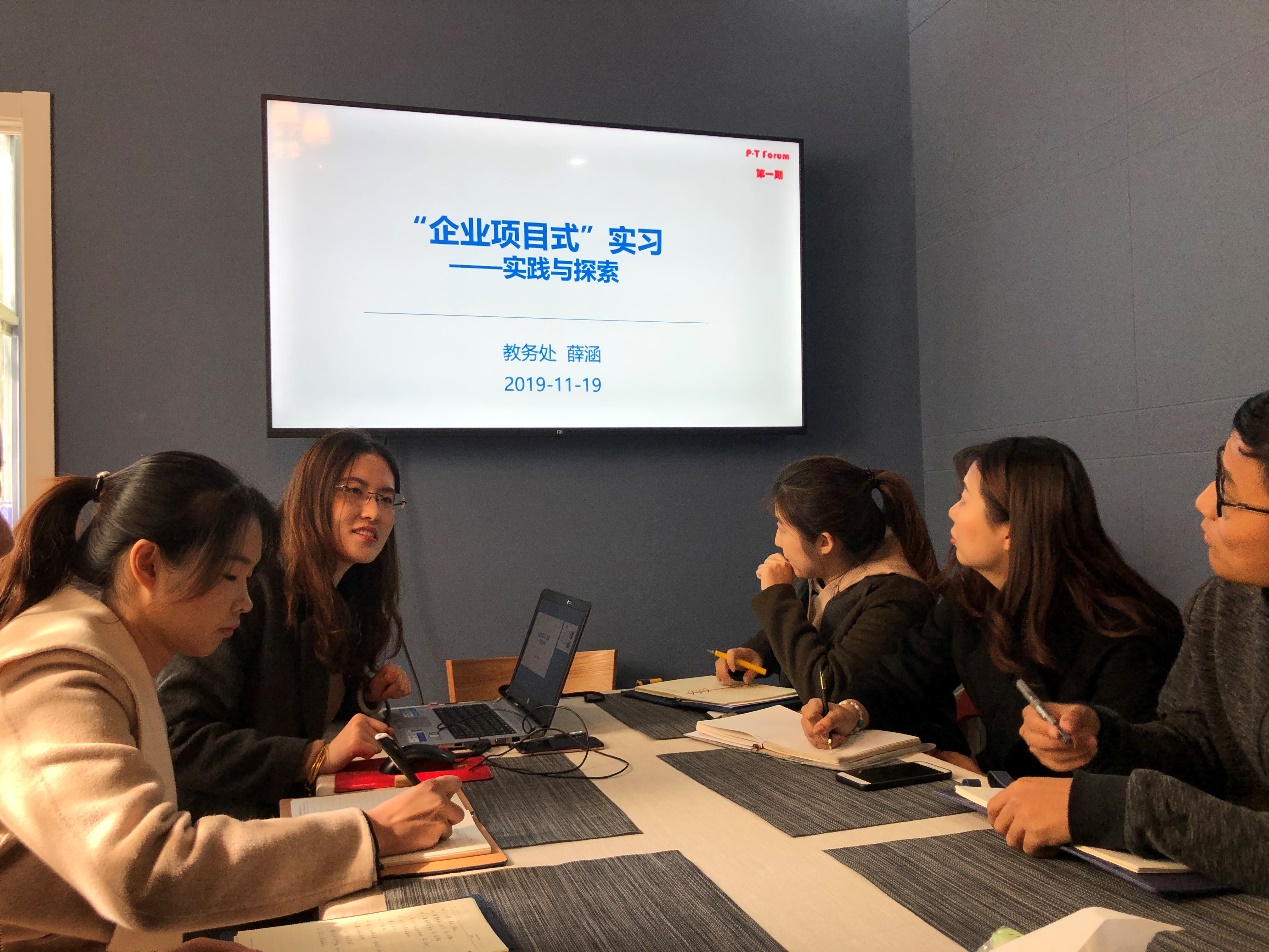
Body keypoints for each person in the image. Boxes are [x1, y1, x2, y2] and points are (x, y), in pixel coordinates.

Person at [0, 452, 463, 949]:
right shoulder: (55, 670)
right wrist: (371, 834)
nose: (245, 600)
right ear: (148, 565)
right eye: (230, 576)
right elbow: (145, 875)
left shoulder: (101, 647)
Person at [990, 392, 1269, 895]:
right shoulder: (1222, 604)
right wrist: (1105, 739)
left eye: (1228, 493)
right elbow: (1201, 747)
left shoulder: (1129, 623)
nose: (1203, 501)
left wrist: (1106, 808)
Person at [802, 436, 1184, 778]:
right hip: (999, 802)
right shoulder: (972, 597)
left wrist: (991, 781)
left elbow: (1132, 775)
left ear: (1011, 530)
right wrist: (852, 710)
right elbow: (904, 673)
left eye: (965, 499)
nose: (951, 512)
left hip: (1078, 823)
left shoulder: (1131, 631)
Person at [160, 430, 415, 820]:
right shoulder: (252, 590)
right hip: (226, 827)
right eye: (354, 491)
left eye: (385, 498)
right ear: (312, 495)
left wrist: (365, 696)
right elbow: (178, 737)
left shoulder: (338, 596)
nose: (373, 512)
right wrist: (312, 757)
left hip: (291, 807)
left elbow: (298, 708)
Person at [714, 456, 939, 703]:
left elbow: (828, 691)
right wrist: (759, 653)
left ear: (824, 542)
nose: (777, 540)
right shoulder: (822, 575)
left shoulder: (896, 598)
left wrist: (777, 597)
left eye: (782, 528)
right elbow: (805, 636)